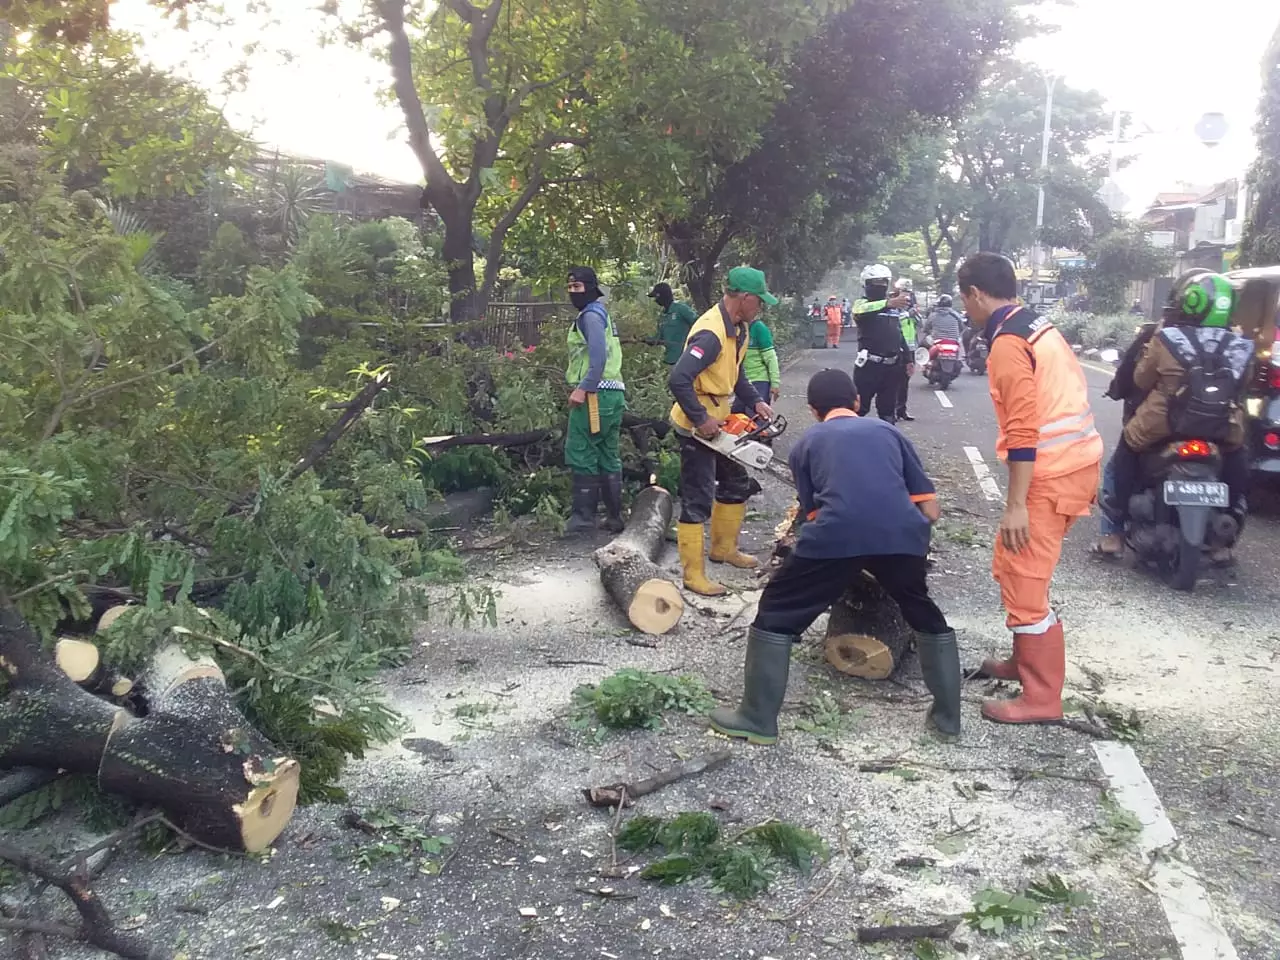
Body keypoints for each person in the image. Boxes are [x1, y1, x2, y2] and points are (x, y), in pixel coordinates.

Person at [707, 368, 960, 745]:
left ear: (812, 410)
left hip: (836, 535)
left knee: (776, 612)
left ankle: (757, 718)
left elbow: (814, 516)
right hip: (902, 535)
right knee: (921, 611)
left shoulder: (807, 444)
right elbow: (931, 511)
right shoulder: (890, 433)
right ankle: (947, 721)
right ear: (857, 403)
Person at [957, 252, 1103, 725]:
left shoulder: (1007, 343)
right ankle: (1025, 663)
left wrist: (1015, 504)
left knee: (1025, 581)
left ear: (976, 294)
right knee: (1012, 564)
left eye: (966, 299)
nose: (966, 309)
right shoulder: (1037, 325)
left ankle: (1042, 698)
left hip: (1049, 474)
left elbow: (1023, 429)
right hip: (1073, 465)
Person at [1104, 271, 1253, 551]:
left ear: (1190, 302)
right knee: (1237, 458)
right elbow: (1242, 385)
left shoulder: (1167, 338)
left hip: (1161, 424)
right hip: (1223, 427)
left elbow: (1140, 380)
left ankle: (1115, 532)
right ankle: (1228, 524)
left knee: (1126, 451)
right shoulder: (1241, 345)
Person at [669, 266, 777, 597]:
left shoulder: (740, 330)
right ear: (744, 298)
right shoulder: (711, 334)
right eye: (758, 301)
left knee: (735, 482)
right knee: (698, 496)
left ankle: (723, 549)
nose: (760, 307)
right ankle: (693, 574)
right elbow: (678, 379)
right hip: (695, 426)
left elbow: (736, 373)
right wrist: (701, 418)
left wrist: (756, 402)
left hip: (721, 420)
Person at [565, 266, 626, 534]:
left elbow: (598, 358)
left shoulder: (589, 316)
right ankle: (614, 517)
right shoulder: (602, 315)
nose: (572, 292)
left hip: (594, 394)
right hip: (613, 393)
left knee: (582, 450)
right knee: (607, 452)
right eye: (569, 287)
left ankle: (583, 519)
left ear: (590, 288)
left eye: (577, 287)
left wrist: (583, 388)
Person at [1093, 316, 1160, 558]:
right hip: (1217, 429)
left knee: (1115, 470)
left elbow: (1133, 376)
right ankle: (1220, 546)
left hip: (1157, 426)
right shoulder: (1231, 339)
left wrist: (1116, 390)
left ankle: (1113, 536)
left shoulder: (1159, 336)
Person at [852, 264, 912, 422]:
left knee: (888, 413)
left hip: (892, 367)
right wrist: (886, 303)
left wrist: (908, 359)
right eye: (875, 283)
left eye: (883, 282)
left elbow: (900, 334)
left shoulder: (894, 309)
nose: (880, 286)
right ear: (866, 284)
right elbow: (859, 311)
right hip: (868, 366)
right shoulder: (862, 304)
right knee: (858, 409)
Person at [733, 314, 781, 414]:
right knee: (735, 417)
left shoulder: (759, 328)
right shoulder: (737, 329)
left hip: (759, 381)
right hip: (742, 383)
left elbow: (771, 358)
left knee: (756, 418)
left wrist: (775, 383)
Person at [648, 282, 698, 366]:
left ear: (662, 296)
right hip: (670, 360)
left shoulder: (680, 308)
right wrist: (646, 340)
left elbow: (698, 324)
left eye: (656, 297)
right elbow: (659, 338)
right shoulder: (662, 316)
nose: (655, 300)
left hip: (686, 359)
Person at [894, 279, 920, 422]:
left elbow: (919, 325)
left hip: (910, 348)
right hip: (897, 347)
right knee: (895, 380)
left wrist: (915, 314)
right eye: (904, 292)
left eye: (909, 293)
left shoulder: (910, 308)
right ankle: (893, 410)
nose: (907, 296)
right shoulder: (893, 306)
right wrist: (908, 314)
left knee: (905, 381)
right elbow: (894, 321)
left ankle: (902, 410)